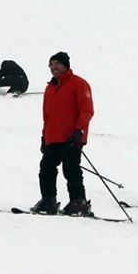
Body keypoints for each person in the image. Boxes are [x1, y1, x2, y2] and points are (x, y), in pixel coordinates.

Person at [32, 51, 94, 215]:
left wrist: (79, 130)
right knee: (46, 168)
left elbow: (86, 110)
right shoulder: (49, 88)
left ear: (66, 65)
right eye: (51, 64)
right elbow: (47, 116)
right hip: (53, 137)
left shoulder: (79, 83)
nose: (54, 67)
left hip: (72, 137)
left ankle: (78, 202)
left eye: (57, 63)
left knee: (71, 169)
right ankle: (48, 200)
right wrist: (44, 137)